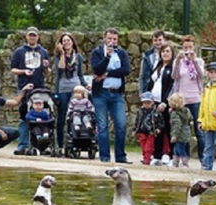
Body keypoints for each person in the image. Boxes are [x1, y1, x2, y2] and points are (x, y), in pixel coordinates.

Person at [91, 28, 132, 163]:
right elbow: (97, 69)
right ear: (104, 38)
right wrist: (107, 57)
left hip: (116, 93)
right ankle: (105, 156)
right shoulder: (97, 52)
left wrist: (108, 74)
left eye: (114, 39)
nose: (112, 42)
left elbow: (126, 70)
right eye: (109, 39)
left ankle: (120, 156)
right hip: (101, 93)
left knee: (121, 124)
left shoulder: (121, 53)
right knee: (102, 126)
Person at [10, 26, 50, 155]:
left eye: (34, 35)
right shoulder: (19, 52)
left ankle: (41, 145)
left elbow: (48, 74)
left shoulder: (43, 52)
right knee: (24, 117)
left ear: (38, 37)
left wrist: (47, 68)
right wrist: (24, 72)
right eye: (30, 35)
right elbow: (13, 70)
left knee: (41, 117)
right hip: (24, 88)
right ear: (26, 36)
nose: (32, 37)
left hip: (39, 89)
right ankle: (23, 145)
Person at [172, 35, 205, 163]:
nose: (188, 50)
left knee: (199, 130)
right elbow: (174, 76)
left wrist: (194, 61)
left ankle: (203, 159)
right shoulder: (178, 62)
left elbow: (201, 76)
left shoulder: (199, 61)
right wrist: (177, 61)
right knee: (183, 130)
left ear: (194, 48)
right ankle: (184, 158)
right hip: (182, 101)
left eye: (190, 47)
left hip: (196, 99)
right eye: (185, 47)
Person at [53, 32, 87, 149]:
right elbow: (61, 69)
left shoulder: (78, 57)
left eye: (68, 40)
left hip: (76, 89)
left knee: (75, 115)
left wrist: (85, 85)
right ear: (61, 44)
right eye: (64, 41)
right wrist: (62, 53)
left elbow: (80, 74)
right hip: (62, 89)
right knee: (62, 116)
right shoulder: (58, 57)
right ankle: (61, 143)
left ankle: (75, 141)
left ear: (72, 42)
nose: (66, 43)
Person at [148, 43, 176, 165]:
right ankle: (157, 155)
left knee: (168, 129)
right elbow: (151, 83)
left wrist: (165, 102)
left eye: (168, 51)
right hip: (155, 101)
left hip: (166, 103)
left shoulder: (173, 68)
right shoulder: (158, 66)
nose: (165, 53)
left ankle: (170, 156)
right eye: (163, 51)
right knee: (157, 129)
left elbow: (171, 86)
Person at [133, 92, 164, 165]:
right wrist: (135, 130)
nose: (146, 104)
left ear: (152, 102)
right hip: (142, 131)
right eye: (144, 103)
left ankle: (147, 159)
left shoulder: (156, 112)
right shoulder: (140, 111)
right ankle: (146, 157)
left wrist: (159, 128)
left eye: (148, 102)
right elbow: (137, 121)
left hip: (151, 132)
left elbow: (161, 122)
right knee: (143, 146)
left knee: (149, 147)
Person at [168, 93, 192, 168]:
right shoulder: (186, 111)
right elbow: (190, 119)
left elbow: (177, 125)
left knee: (180, 149)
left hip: (179, 134)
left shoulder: (175, 114)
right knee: (176, 149)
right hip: (186, 132)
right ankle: (175, 162)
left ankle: (184, 163)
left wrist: (174, 135)